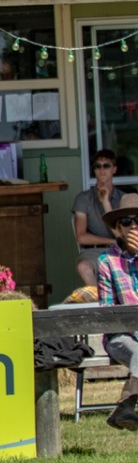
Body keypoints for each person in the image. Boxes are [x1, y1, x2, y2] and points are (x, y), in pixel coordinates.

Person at [95, 192, 138, 430]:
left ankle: (124, 406)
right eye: (127, 222)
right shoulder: (106, 261)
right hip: (121, 336)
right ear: (119, 229)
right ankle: (124, 408)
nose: (133, 226)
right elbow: (108, 312)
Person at [74, 149, 126, 286]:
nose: (102, 170)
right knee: (83, 266)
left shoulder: (123, 198)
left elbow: (125, 236)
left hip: (122, 250)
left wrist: (106, 203)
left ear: (114, 169)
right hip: (94, 251)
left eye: (106, 166)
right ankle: (99, 304)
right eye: (98, 166)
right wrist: (112, 241)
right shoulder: (83, 198)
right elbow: (81, 237)